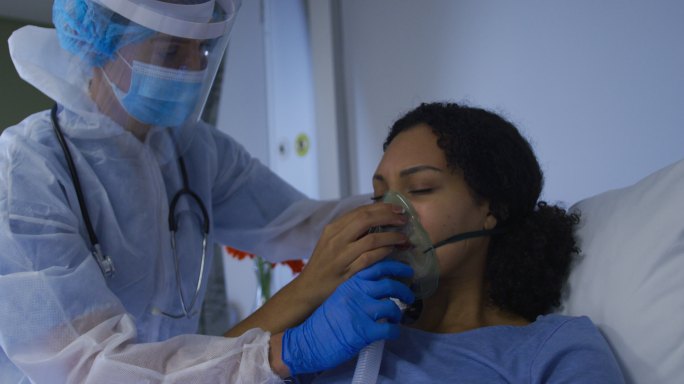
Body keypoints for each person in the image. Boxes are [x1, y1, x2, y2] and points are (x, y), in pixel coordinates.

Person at [0, 0, 415, 382]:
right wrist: (281, 352)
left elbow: (299, 223)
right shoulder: (27, 171)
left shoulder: (193, 150)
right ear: (101, 46)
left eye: (202, 51)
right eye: (170, 52)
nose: (193, 69)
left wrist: (410, 208)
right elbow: (90, 369)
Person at [303, 102, 626, 383]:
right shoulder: (342, 332)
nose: (388, 212)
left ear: (492, 208)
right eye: (378, 195)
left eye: (419, 188)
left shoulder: (552, 350)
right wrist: (309, 288)